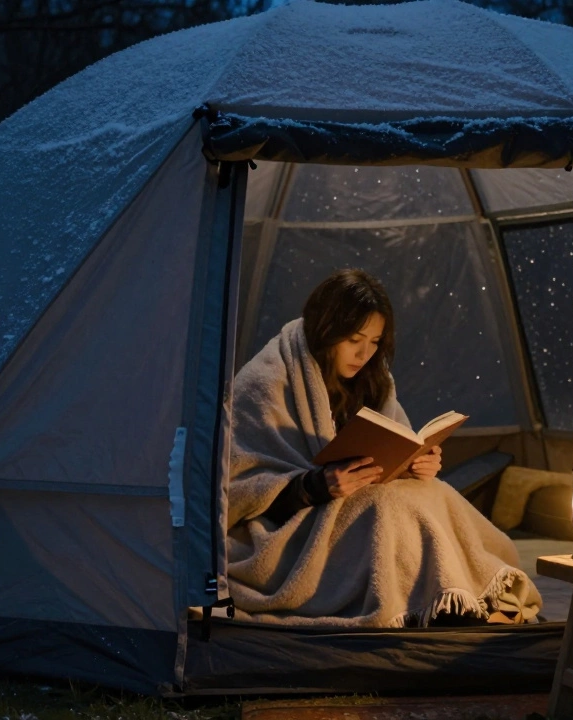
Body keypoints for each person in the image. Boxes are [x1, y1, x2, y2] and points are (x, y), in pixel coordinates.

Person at [225, 268, 541, 628]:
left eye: (375, 341)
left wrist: (416, 463)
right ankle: (435, 607)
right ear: (324, 329)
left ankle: (479, 592)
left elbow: (396, 438)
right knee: (387, 505)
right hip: (289, 527)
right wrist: (316, 485)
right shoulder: (265, 383)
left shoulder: (373, 377)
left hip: (356, 502)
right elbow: (233, 493)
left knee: (433, 492)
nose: (364, 353)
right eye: (354, 339)